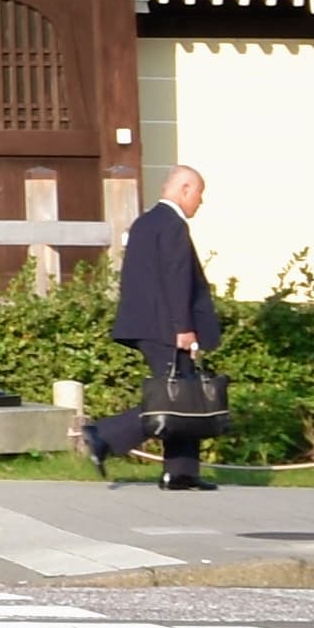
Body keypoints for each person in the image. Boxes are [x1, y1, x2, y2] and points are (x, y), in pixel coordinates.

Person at [90, 162, 227, 491]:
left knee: (184, 393)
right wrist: (183, 327)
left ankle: (181, 472)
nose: (200, 202)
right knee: (172, 398)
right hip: (166, 327)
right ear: (185, 190)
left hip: (148, 323)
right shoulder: (172, 225)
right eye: (199, 194)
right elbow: (175, 279)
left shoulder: (145, 222)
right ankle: (103, 435)